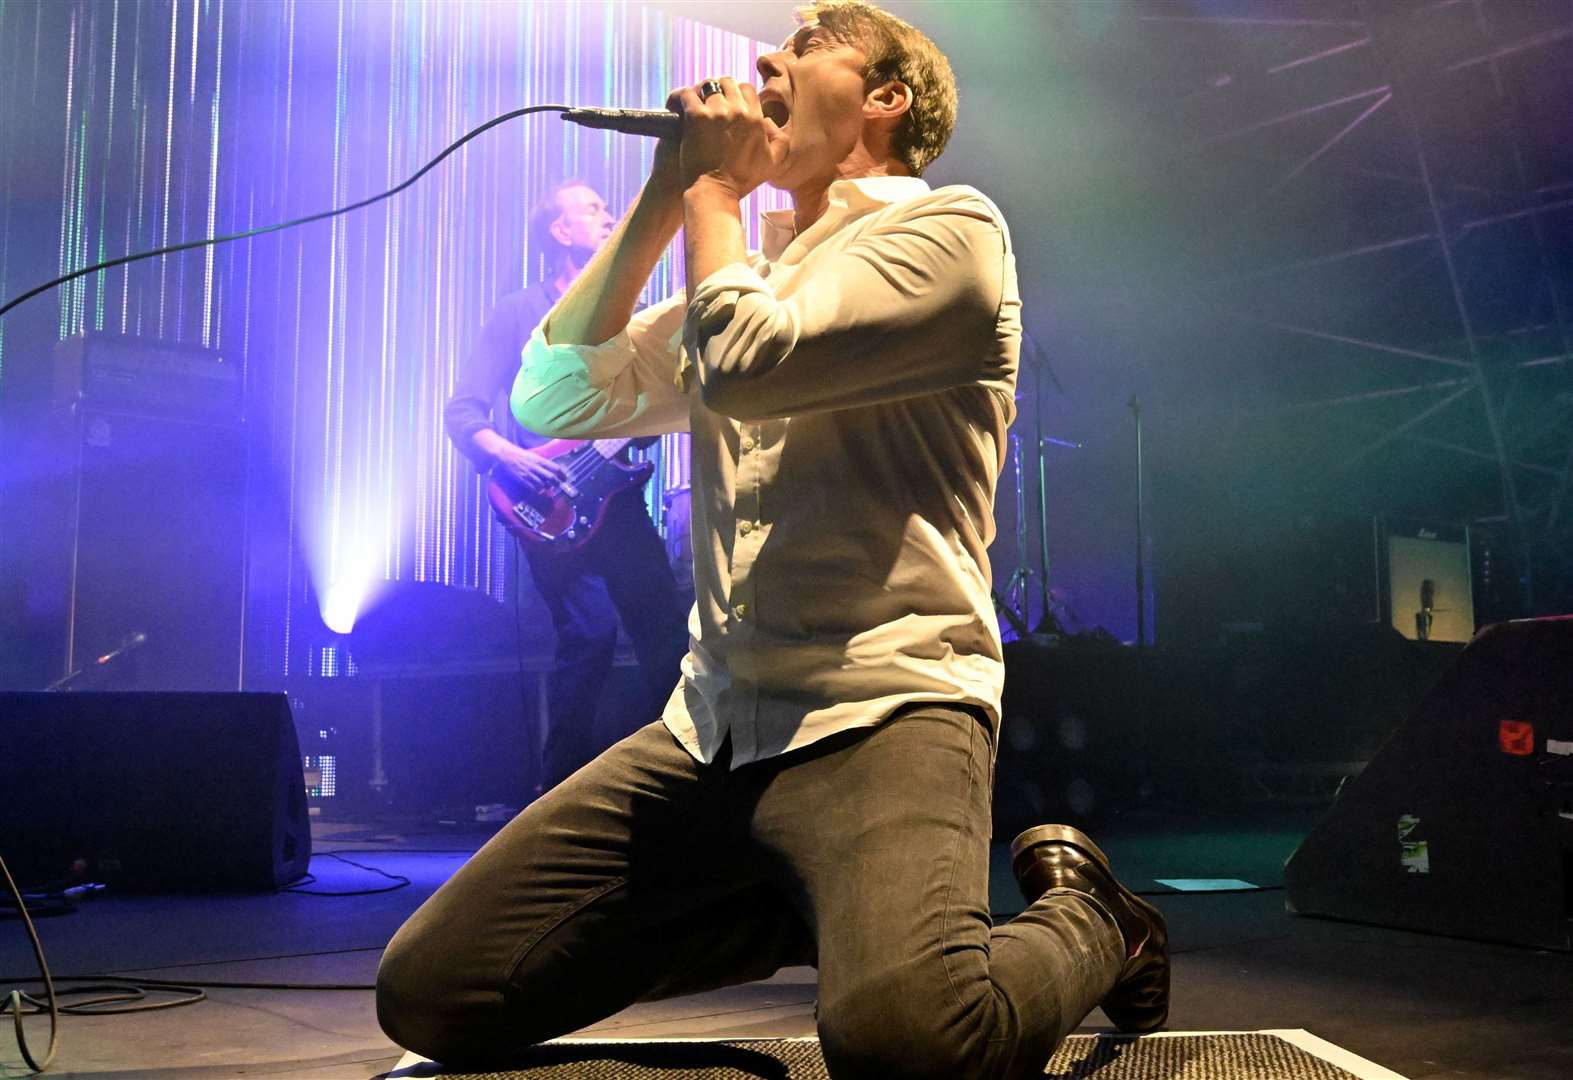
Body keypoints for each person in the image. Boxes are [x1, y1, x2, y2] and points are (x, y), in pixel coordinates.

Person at [385, 3, 1169, 1076]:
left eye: (803, 48)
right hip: (713, 725)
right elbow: (555, 393)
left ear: (886, 98)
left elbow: (750, 360)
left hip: (886, 708)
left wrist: (710, 191)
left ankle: (1094, 925)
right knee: (433, 994)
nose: (763, 61)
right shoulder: (744, 280)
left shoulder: (950, 235)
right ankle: (828, 912)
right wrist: (672, 192)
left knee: (911, 1049)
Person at [443, 180, 688, 793]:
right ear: (560, 232)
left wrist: (648, 428)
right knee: (590, 637)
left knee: (667, 638)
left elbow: (642, 416)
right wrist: (510, 460)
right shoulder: (520, 313)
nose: (609, 218)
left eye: (609, 210)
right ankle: (559, 797)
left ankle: (683, 786)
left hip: (620, 504)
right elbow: (463, 412)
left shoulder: (630, 317)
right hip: (548, 503)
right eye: (594, 209)